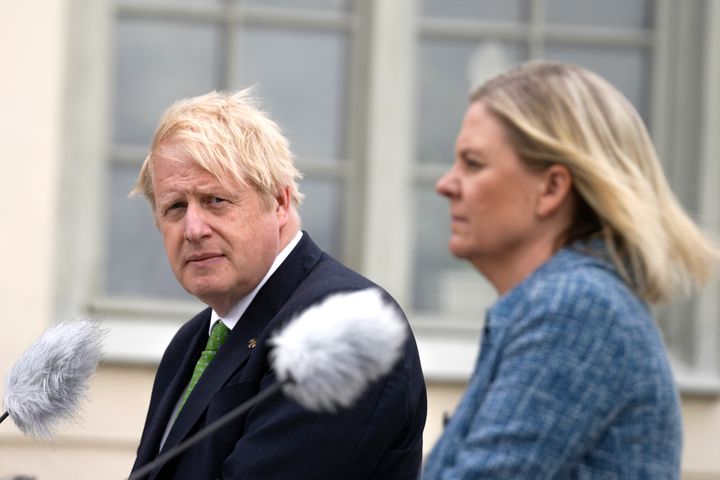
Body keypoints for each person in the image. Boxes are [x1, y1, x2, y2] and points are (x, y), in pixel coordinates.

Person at [423, 61, 720, 479]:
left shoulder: (575, 308)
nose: (446, 184)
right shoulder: (567, 301)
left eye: (473, 163)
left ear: (552, 189)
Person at [129, 89, 426, 479]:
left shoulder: (337, 327)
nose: (193, 229)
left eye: (215, 200)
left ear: (281, 203)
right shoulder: (190, 342)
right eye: (175, 207)